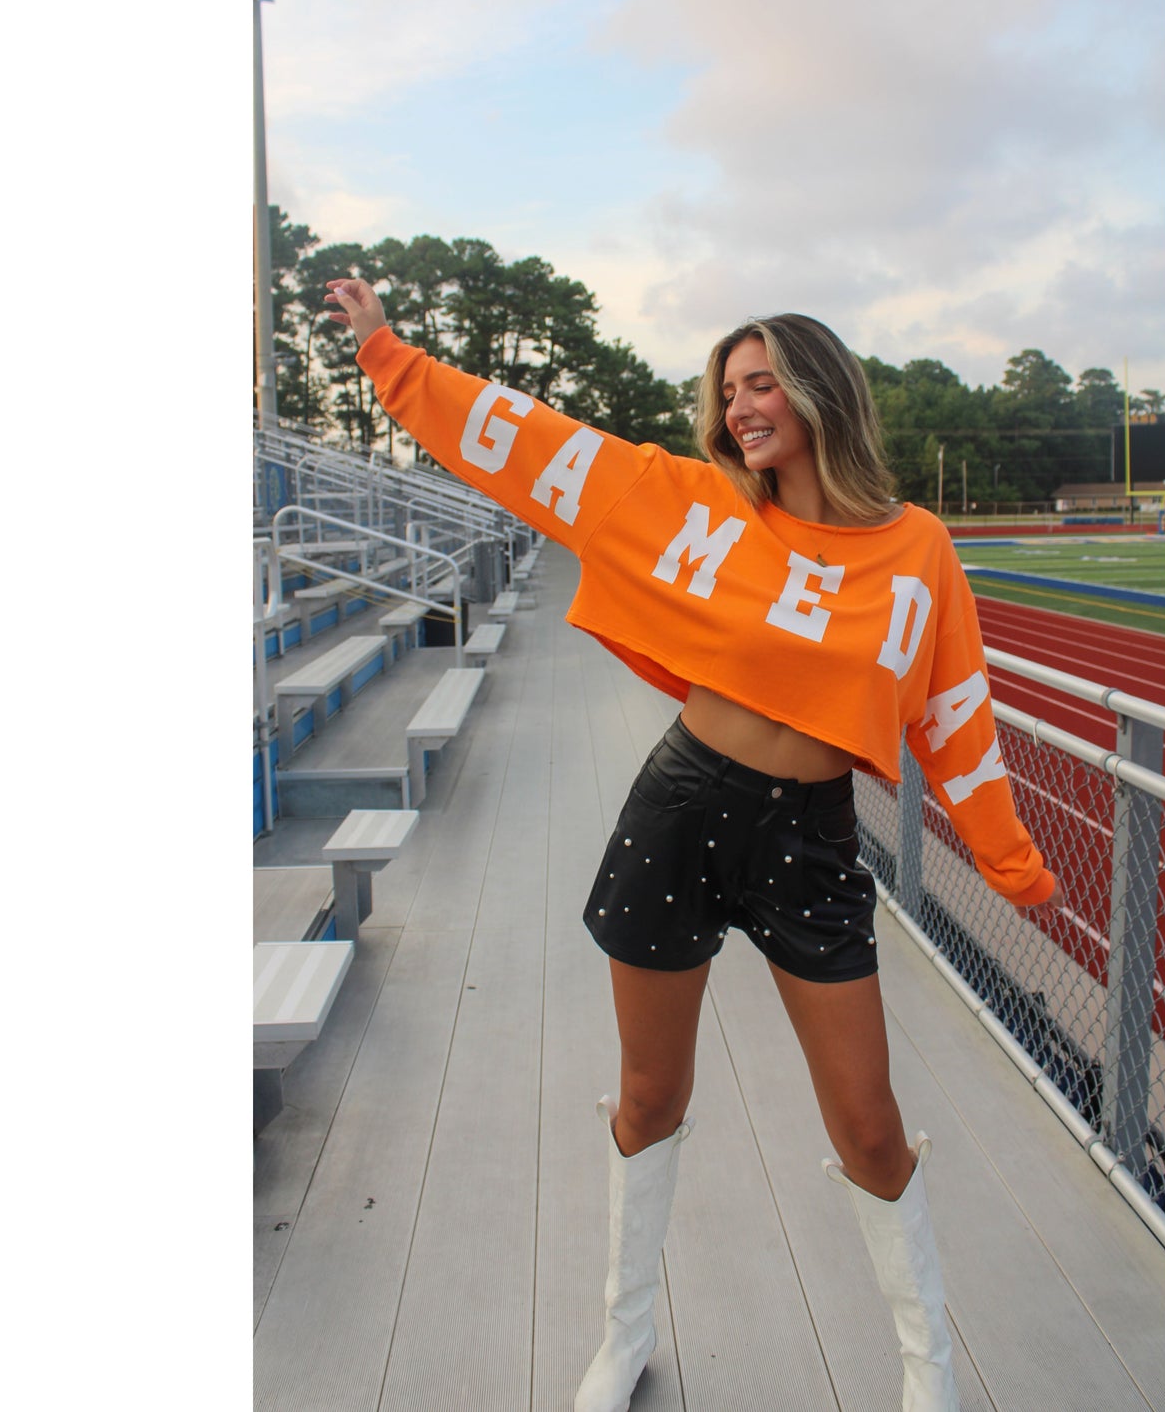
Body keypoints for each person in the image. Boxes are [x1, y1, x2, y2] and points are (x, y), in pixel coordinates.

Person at [325, 277, 1064, 1412]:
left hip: (809, 845)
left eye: (763, 383)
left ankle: (929, 1370)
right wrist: (388, 352)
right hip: (679, 809)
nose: (740, 408)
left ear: (820, 390)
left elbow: (953, 710)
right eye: (728, 391)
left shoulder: (913, 550)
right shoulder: (693, 502)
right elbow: (529, 445)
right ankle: (622, 1334)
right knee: (646, 1093)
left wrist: (1012, 862)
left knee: (867, 1122)